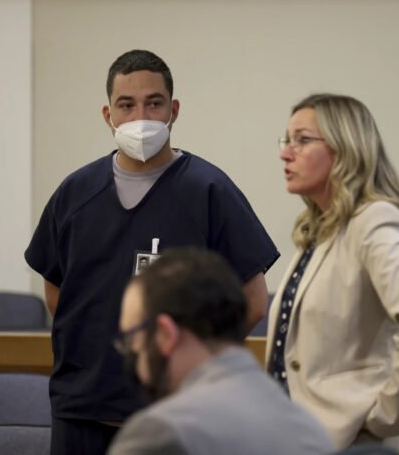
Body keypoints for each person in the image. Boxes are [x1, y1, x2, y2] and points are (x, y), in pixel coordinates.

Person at [25, 49, 279, 455]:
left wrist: (196, 363)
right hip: (81, 413)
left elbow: (253, 301)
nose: (140, 117)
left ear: (173, 110)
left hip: (178, 416)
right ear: (107, 115)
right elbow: (57, 293)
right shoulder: (75, 194)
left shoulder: (209, 191)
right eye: (126, 105)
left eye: (153, 103)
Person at [268, 93, 399, 453]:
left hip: (357, 442)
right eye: (287, 140)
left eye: (302, 141)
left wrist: (386, 416)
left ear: (345, 148)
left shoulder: (374, 221)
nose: (286, 153)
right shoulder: (320, 227)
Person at [108, 247, 334, 455]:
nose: (133, 356)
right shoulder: (309, 428)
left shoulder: (159, 433)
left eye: (133, 339)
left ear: (165, 334)